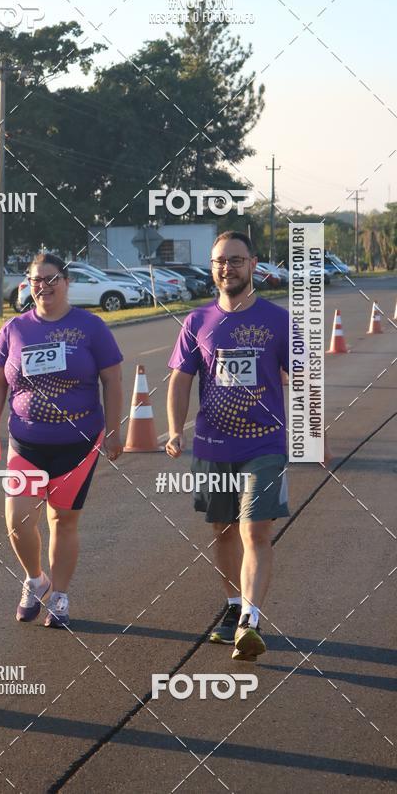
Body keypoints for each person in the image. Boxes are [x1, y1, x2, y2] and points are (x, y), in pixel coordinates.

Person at [166, 231, 330, 661]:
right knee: (222, 531)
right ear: (212, 265)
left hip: (265, 444)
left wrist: (312, 433)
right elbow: (181, 379)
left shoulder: (278, 321)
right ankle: (235, 603)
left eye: (236, 260)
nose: (227, 268)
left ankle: (250, 621)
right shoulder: (197, 322)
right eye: (220, 261)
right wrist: (175, 429)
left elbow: (305, 380)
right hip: (213, 444)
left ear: (253, 264)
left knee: (254, 530)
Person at [0, 253, 124, 629]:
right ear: (27, 285)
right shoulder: (14, 329)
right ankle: (35, 579)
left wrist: (114, 430)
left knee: (63, 520)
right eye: (35, 280)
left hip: (78, 443)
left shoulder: (91, 327)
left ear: (66, 281)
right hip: (26, 441)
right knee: (17, 520)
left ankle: (59, 596)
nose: (43, 286)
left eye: (51, 278)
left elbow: (112, 379)